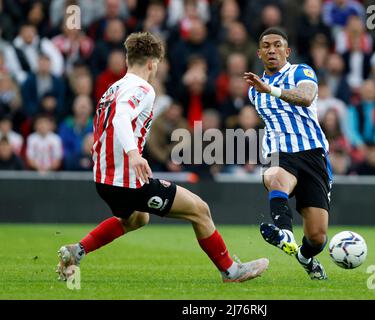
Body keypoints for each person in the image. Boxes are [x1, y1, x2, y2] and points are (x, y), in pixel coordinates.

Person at [56, 32, 268, 283]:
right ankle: (231, 271)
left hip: (104, 181)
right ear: (151, 63)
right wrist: (134, 155)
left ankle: (77, 251)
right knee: (200, 209)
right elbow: (121, 117)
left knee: (137, 218)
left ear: (127, 59)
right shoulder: (142, 88)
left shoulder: (111, 90)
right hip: (127, 181)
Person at [244, 27, 332, 280]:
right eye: (266, 46)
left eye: (278, 45)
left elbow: (306, 97)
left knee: (317, 237)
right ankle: (285, 233)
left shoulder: (301, 72)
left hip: (313, 153)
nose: (272, 50)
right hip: (278, 151)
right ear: (259, 53)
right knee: (277, 178)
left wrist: (270, 89)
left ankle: (305, 257)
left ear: (287, 51)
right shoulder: (253, 89)